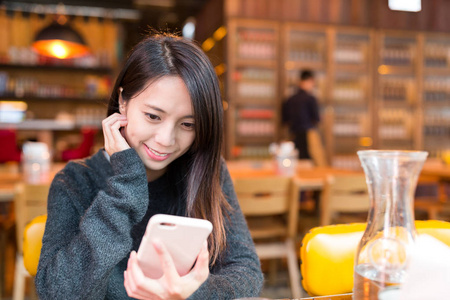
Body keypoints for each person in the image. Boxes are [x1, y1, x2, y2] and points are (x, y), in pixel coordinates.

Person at [35, 33, 264, 300]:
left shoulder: (205, 171)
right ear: (123, 102)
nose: (166, 140)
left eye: (187, 125)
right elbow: (58, 293)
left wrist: (193, 293)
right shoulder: (76, 181)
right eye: (153, 116)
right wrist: (126, 186)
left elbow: (247, 272)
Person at [282, 69, 321, 160]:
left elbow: (285, 121)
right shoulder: (310, 99)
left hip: (292, 136)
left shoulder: (289, 99)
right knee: (310, 162)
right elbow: (316, 119)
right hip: (308, 137)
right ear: (310, 81)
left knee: (294, 161)